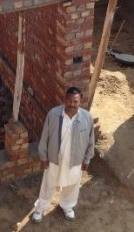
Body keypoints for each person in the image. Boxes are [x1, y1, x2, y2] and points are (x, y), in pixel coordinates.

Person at [32, 86, 95, 223]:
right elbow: (44, 138)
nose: (72, 104)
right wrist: (44, 157)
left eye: (75, 101)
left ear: (80, 101)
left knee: (72, 185)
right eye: (69, 101)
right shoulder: (53, 114)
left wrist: (87, 159)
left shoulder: (87, 117)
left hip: (75, 160)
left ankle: (67, 206)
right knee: (48, 184)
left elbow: (91, 140)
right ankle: (40, 208)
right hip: (54, 159)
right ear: (64, 100)